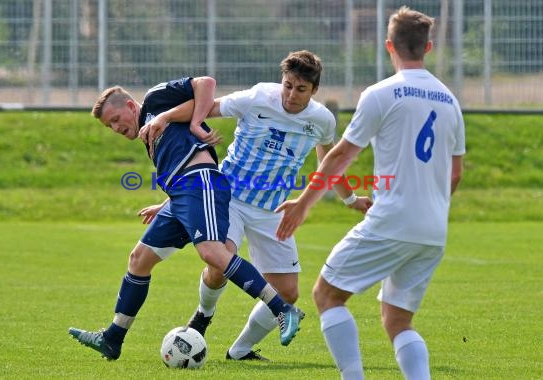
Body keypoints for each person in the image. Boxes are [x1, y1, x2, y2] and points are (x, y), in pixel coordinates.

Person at [139, 50, 372, 361]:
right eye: (288, 85)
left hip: (273, 211)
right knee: (221, 261)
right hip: (228, 197)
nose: (291, 94)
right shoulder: (259, 97)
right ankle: (202, 317)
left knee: (288, 292)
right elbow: (207, 107)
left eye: (300, 89)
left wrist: (352, 199)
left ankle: (240, 350)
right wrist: (166, 116)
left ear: (314, 90)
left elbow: (329, 164)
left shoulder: (321, 120)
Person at [275, 7, 465, 379]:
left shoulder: (381, 93)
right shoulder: (449, 100)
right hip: (433, 229)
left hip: (392, 218)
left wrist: (303, 203)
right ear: (427, 46)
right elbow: (455, 174)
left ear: (388, 46)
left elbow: (341, 155)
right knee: (398, 321)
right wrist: (428, 207)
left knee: (327, 295)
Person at [68, 76, 305, 361]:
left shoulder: (155, 99)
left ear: (131, 106)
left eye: (116, 119)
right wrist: (167, 204)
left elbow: (205, 83)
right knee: (139, 259)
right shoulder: (151, 131)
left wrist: (195, 123)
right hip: (180, 195)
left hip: (200, 183)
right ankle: (113, 338)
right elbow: (181, 155)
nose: (116, 128)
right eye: (110, 126)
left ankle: (282, 309)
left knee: (212, 253)